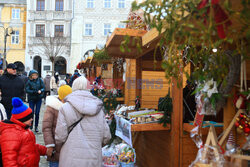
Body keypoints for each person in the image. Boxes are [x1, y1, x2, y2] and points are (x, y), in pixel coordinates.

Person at [55, 76, 111, 167]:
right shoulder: (98, 110)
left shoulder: (65, 108)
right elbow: (106, 137)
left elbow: (60, 136)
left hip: (70, 157)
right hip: (93, 159)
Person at [0, 97, 48, 167]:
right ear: (22, 119)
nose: (32, 119)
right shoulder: (10, 134)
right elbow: (9, 161)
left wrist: (45, 150)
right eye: (29, 117)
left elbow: (31, 147)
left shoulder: (24, 128)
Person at [42, 85, 72, 167]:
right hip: (55, 148)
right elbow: (46, 128)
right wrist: (50, 145)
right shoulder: (52, 108)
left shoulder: (71, 107)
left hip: (68, 148)